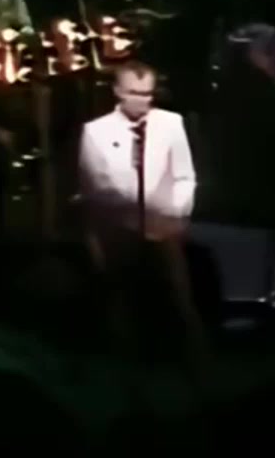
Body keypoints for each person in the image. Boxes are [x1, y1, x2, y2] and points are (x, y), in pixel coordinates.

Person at [78, 62, 207, 365]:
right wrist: (129, 214)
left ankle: (198, 366)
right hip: (118, 230)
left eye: (148, 94)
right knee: (121, 301)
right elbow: (94, 188)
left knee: (180, 299)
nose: (142, 100)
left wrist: (174, 213)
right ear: (118, 91)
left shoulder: (171, 124)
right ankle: (126, 369)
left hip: (164, 227)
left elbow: (185, 176)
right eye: (134, 93)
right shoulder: (96, 131)